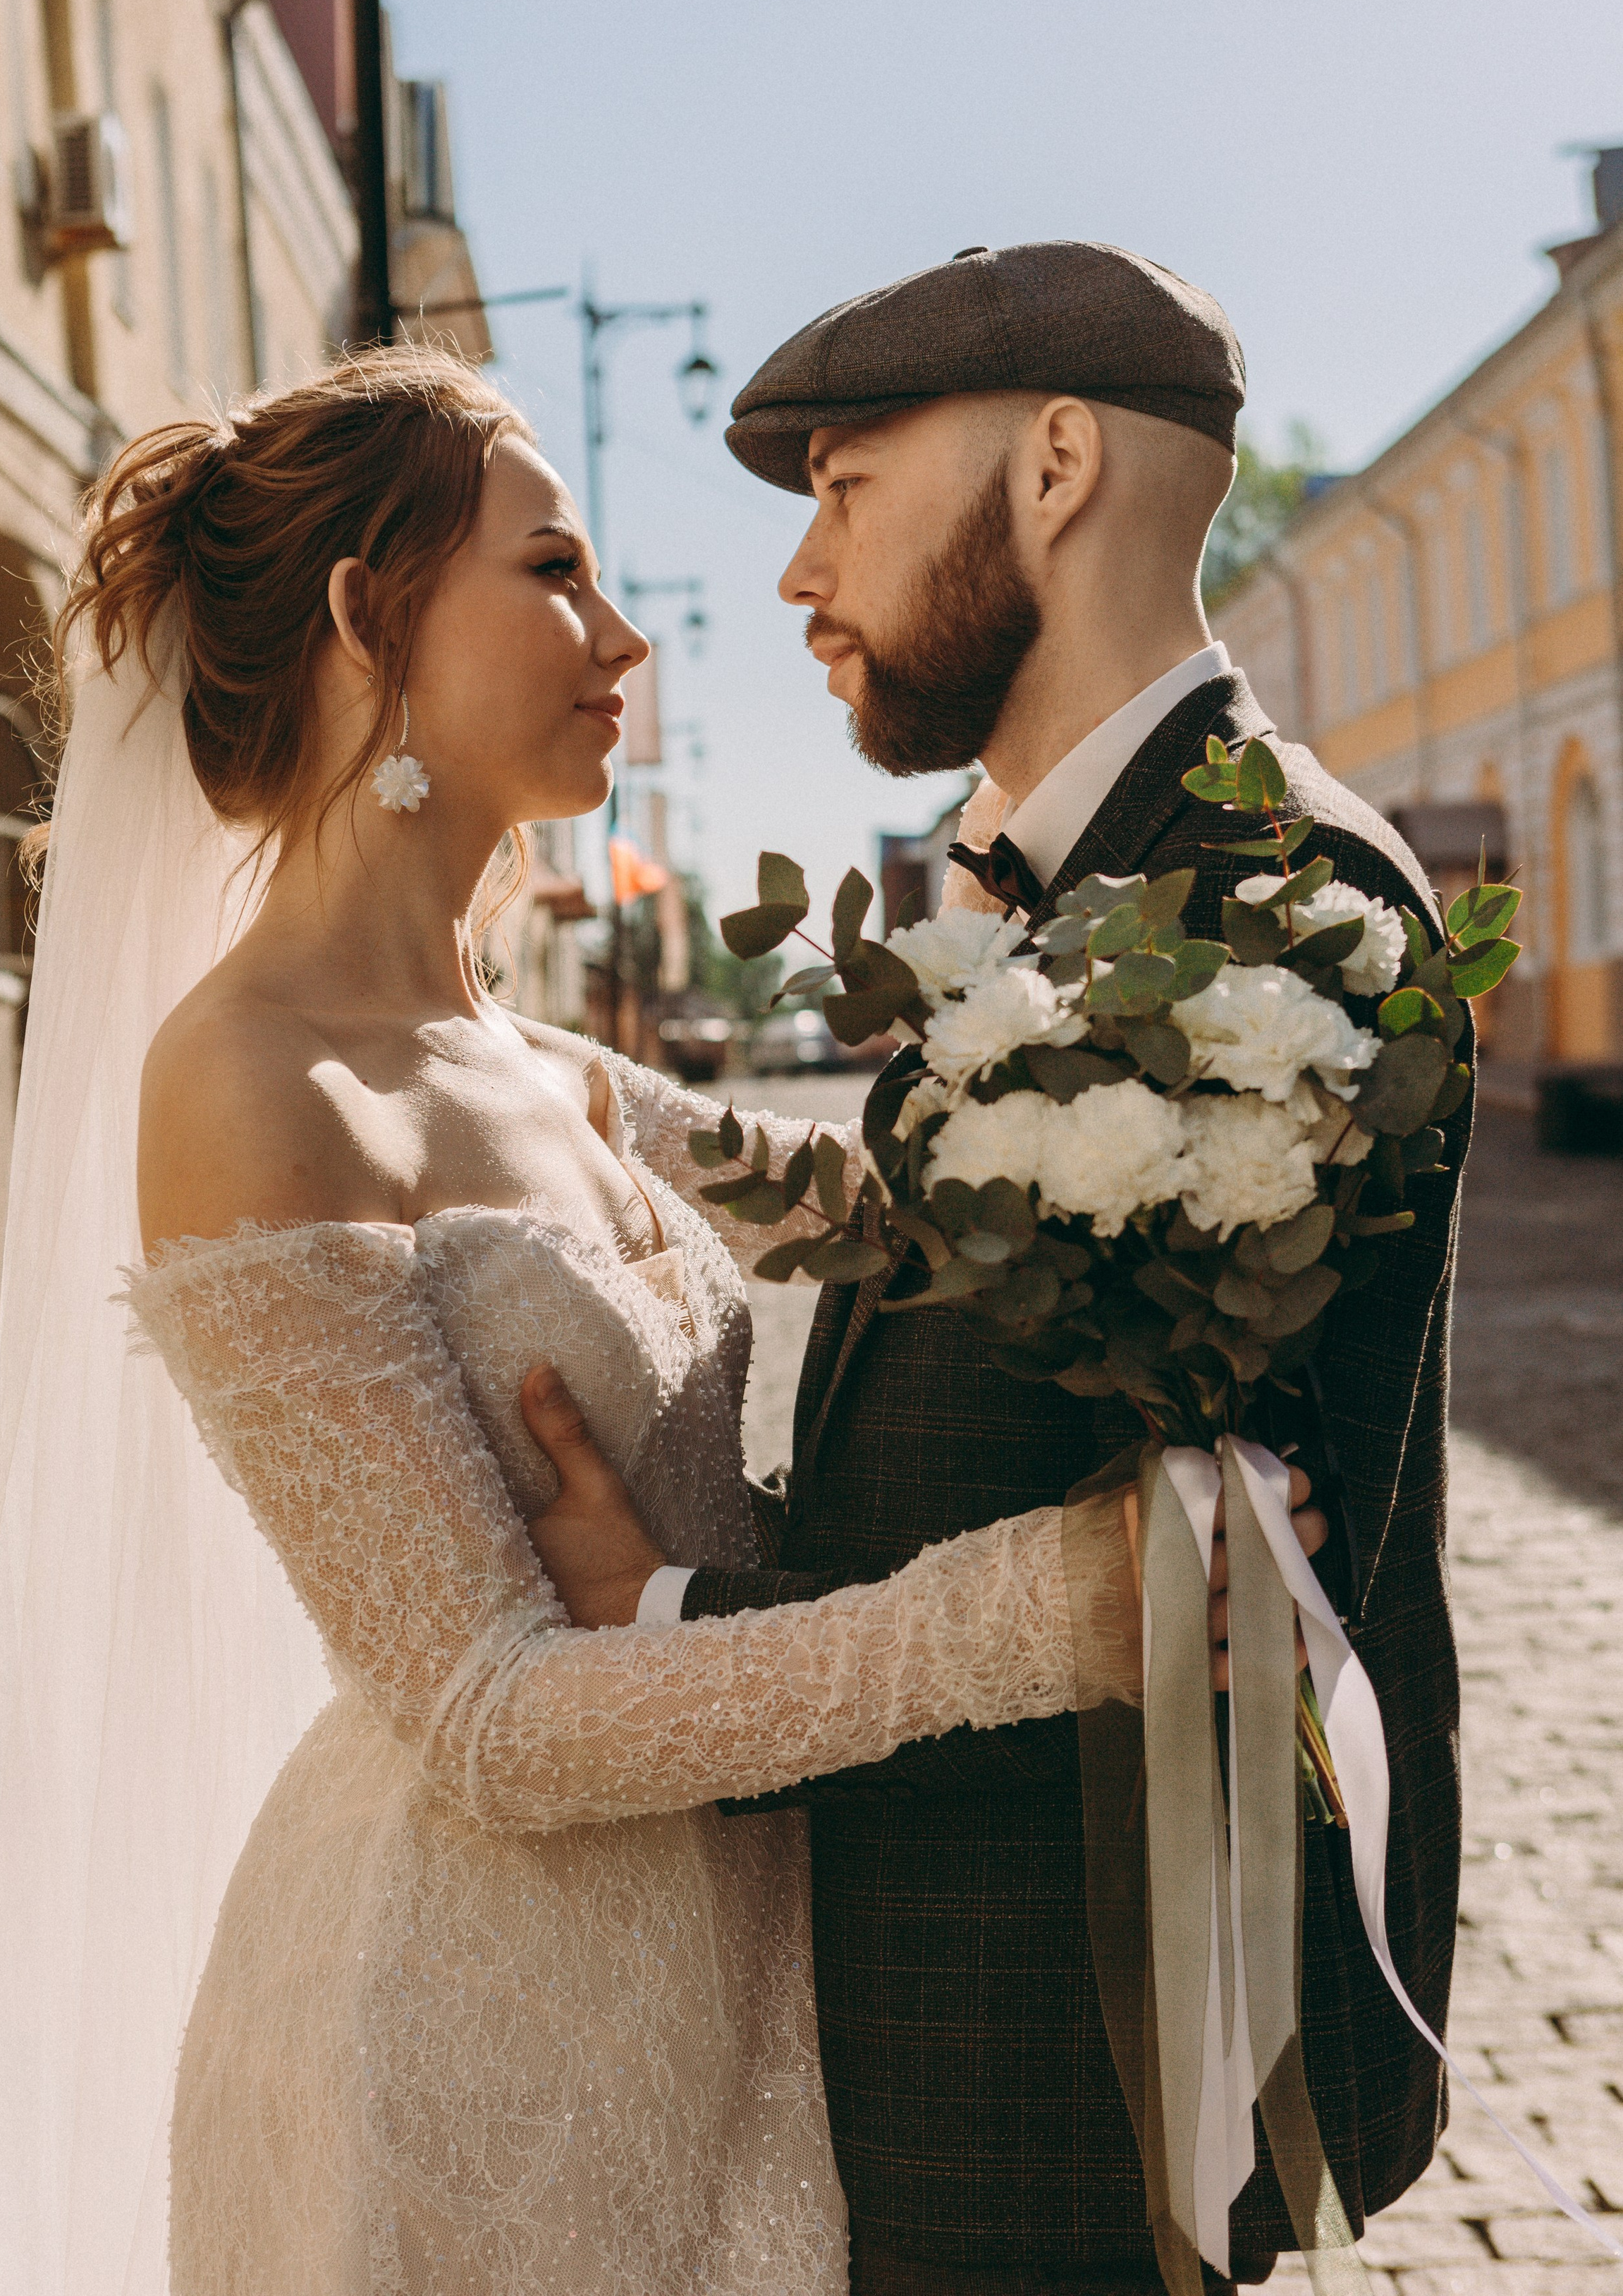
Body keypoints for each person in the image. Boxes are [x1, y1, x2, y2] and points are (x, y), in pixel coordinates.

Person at [0, 343, 1200, 2296]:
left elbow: (915, 1228)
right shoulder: (256, 1088)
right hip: (471, 2058)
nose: (624, 639)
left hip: (737, 1973)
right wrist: (1043, 1614)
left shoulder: (551, 1064)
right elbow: (487, 1719)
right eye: (554, 576)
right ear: (370, 616)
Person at [521, 243, 1464, 2296]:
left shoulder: (1264, 910)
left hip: (1061, 2017)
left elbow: (1183, 1593)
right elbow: (983, 1313)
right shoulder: (1105, 870)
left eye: (846, 492)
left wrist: (659, 1607)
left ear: (1052, 465)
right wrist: (659, 1138)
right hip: (955, 1978)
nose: (794, 576)